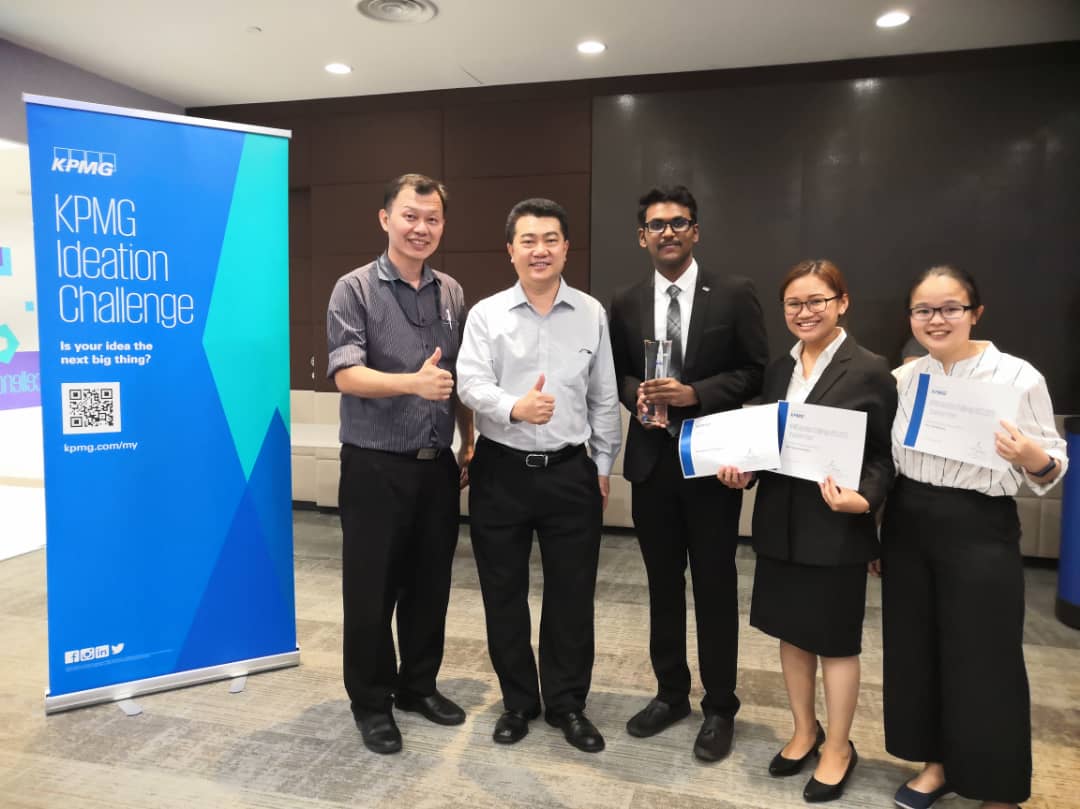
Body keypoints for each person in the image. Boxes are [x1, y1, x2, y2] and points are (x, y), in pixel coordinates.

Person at [882, 265, 1067, 809]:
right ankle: (936, 765)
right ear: (911, 317)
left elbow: (1053, 466)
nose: (936, 320)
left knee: (986, 655)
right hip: (909, 520)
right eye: (924, 310)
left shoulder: (1018, 377)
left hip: (979, 526)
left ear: (975, 313)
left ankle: (997, 789)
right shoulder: (906, 377)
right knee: (917, 649)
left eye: (950, 308)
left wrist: (1029, 455)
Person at [717, 259, 897, 802]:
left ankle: (839, 746)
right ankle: (804, 731)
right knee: (792, 635)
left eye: (817, 300)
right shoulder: (779, 370)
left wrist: (865, 500)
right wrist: (744, 470)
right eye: (794, 303)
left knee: (836, 643)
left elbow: (884, 456)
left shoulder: (871, 369)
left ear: (842, 302)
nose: (805, 312)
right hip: (780, 523)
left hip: (836, 526)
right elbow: (769, 442)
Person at [608, 185, 768, 761]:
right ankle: (670, 694)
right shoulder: (624, 301)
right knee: (662, 585)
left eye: (679, 222)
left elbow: (754, 370)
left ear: (695, 231)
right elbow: (615, 373)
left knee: (715, 586)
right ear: (642, 236)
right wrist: (639, 395)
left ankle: (720, 705)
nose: (668, 232)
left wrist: (694, 393)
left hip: (711, 464)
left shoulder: (733, 293)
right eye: (657, 224)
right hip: (651, 465)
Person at [456, 198, 622, 753]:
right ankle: (518, 702)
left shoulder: (591, 313)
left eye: (550, 239)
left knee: (572, 594)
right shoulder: (486, 315)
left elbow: (604, 397)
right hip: (500, 471)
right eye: (528, 240)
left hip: (570, 471)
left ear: (566, 247)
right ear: (511, 250)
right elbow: (469, 383)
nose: (540, 250)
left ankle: (568, 703)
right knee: (503, 591)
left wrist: (603, 465)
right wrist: (514, 408)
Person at [326, 173, 473, 755]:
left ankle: (418, 686)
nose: (421, 228)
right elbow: (346, 374)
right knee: (371, 590)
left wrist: (468, 440)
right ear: (385, 218)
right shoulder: (354, 288)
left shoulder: (451, 292)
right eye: (410, 216)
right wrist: (412, 382)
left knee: (429, 586)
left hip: (437, 465)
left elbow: (457, 378)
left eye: (432, 219)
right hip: (374, 466)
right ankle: (371, 702)